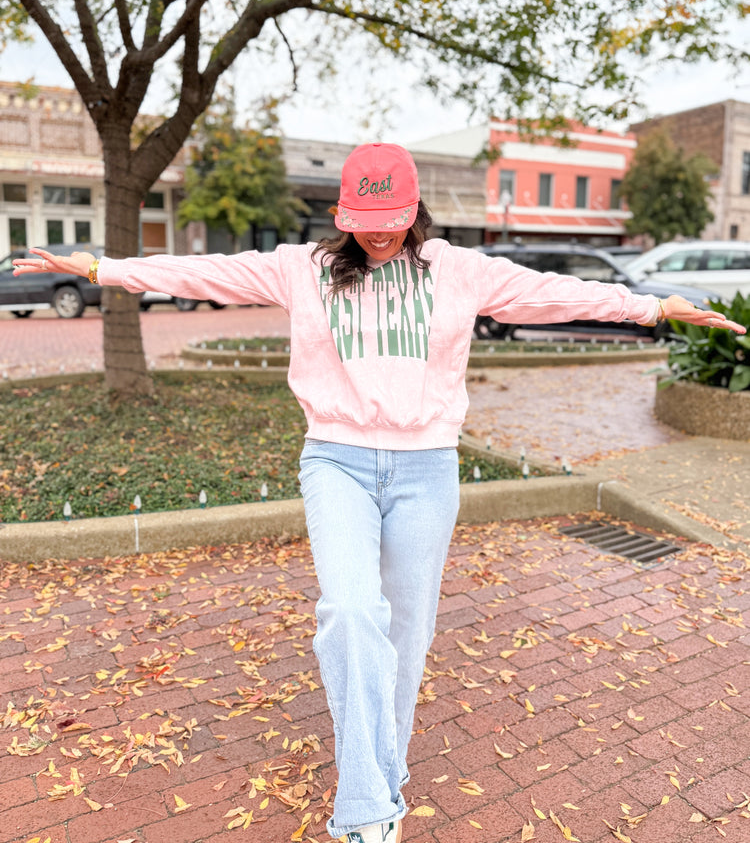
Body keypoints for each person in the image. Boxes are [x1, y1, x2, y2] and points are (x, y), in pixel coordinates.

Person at [13, 142, 746, 843]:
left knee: (408, 634)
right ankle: (365, 802)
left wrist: (650, 308)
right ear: (342, 218)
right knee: (350, 611)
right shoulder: (301, 269)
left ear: (414, 209)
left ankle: (383, 770)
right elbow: (206, 272)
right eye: (365, 227)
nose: (380, 238)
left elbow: (551, 294)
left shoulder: (458, 271)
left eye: (392, 223)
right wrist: (102, 267)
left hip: (427, 468)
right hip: (336, 461)